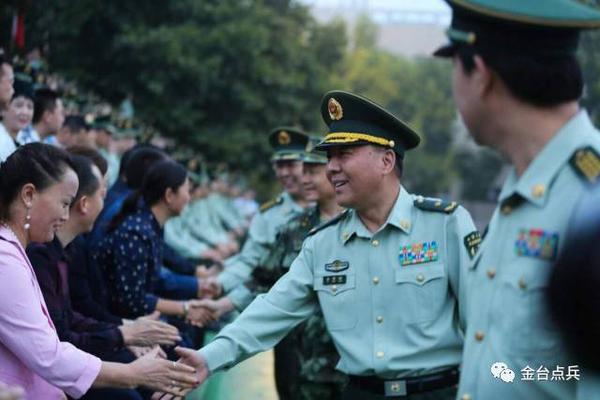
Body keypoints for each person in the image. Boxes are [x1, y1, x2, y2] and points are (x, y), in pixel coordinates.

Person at [157, 91, 478, 400]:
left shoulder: (445, 225)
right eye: (329, 157)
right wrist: (210, 357)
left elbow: (484, 324)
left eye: (344, 154)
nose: (331, 167)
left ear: (386, 160)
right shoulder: (322, 243)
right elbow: (272, 309)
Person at [432, 1, 600, 399]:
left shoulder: (590, 196)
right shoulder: (521, 187)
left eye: (454, 65)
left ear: (481, 76)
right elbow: (530, 371)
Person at [0, 143, 199, 399]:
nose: (65, 215)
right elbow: (48, 353)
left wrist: (126, 336)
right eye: (63, 203)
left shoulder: (16, 252)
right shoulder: (6, 260)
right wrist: (132, 373)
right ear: (28, 195)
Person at [92, 159, 214, 325]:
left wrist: (188, 300)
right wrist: (185, 308)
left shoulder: (151, 225)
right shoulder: (136, 233)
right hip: (115, 323)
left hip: (133, 319)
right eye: (187, 190)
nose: (189, 197)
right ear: (169, 195)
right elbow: (132, 301)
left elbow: (153, 280)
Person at [0, 77, 34, 161]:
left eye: (30, 107)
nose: (25, 112)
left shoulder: (24, 141)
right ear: (3, 109)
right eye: (19, 105)